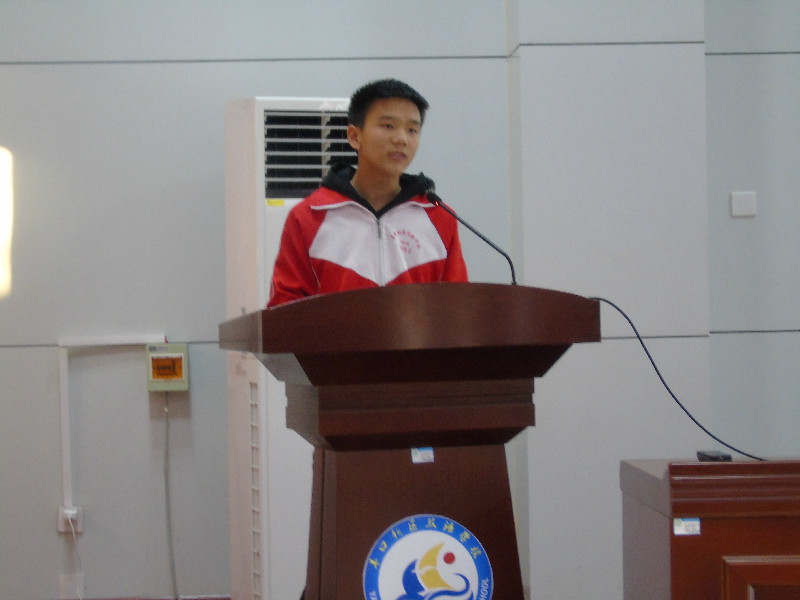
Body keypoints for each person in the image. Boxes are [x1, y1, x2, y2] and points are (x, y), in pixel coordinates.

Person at [267, 78, 468, 308]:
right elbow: (284, 308)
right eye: (388, 126)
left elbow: (457, 308)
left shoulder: (439, 217)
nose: (401, 139)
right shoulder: (308, 217)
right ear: (354, 136)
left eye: (412, 129)